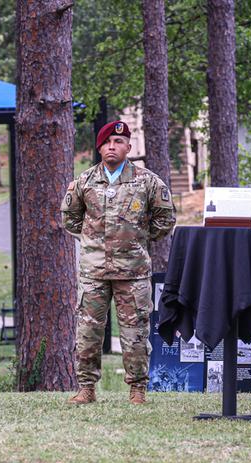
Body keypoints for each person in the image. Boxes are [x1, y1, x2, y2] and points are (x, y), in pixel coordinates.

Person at [60, 120, 176, 405]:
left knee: (135, 333)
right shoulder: (85, 181)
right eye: (107, 142)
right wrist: (92, 239)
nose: (112, 146)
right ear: (100, 148)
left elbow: (165, 219)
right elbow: (69, 218)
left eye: (118, 142)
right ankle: (86, 388)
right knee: (87, 333)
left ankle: (137, 389)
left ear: (128, 147)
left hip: (132, 271)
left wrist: (137, 237)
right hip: (94, 271)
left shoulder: (147, 181)